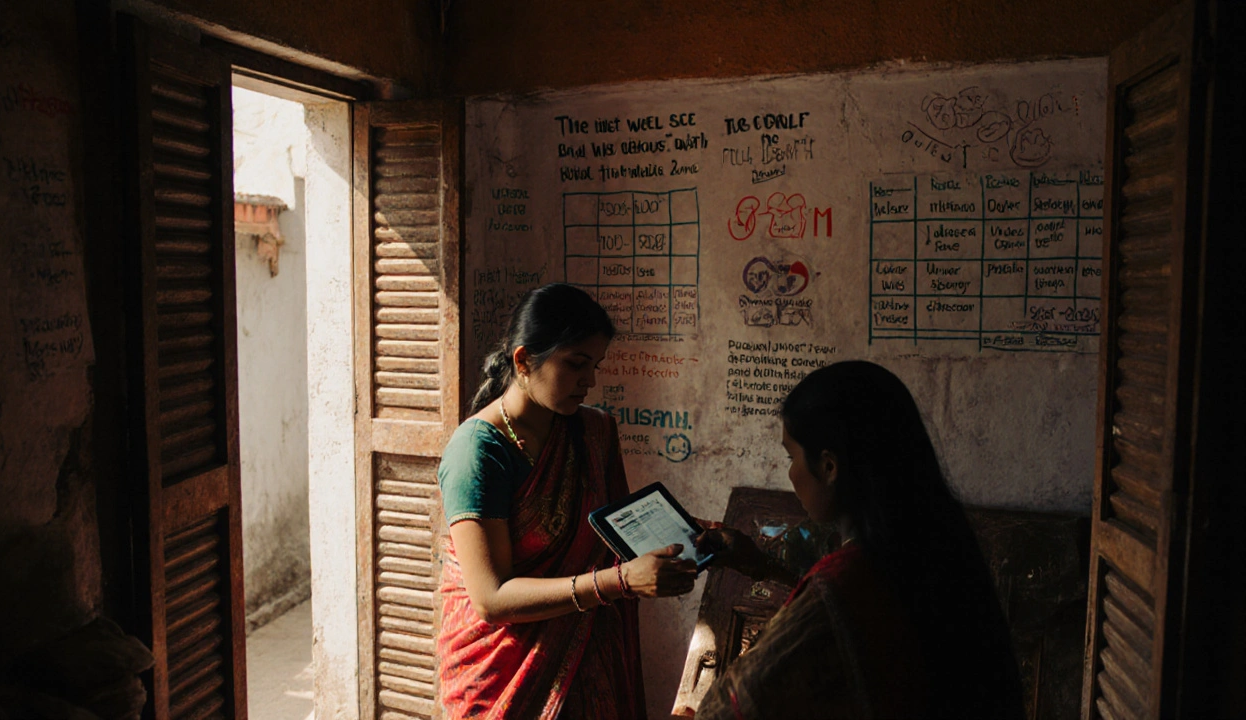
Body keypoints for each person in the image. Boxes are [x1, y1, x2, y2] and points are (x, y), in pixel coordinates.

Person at [694, 361, 1023, 719]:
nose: (790, 473)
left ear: (830, 467)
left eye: (792, 457)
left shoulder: (844, 581)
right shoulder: (933, 543)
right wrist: (761, 565)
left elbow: (730, 710)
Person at [437, 283, 698, 720]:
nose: (590, 380)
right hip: (499, 671)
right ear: (523, 360)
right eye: (576, 364)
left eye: (595, 365)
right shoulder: (479, 451)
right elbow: (490, 599)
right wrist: (620, 582)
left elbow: (616, 532)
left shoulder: (593, 432)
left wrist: (697, 535)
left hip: (585, 657)